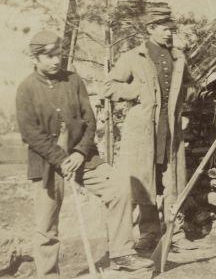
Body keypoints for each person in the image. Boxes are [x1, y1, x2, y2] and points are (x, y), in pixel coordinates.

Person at [16, 30, 153, 278]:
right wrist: (60, 158)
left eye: (58, 54)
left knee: (120, 188)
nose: (56, 60)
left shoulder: (74, 80)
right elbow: (30, 134)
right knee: (46, 224)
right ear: (35, 58)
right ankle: (48, 274)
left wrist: (79, 152)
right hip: (47, 163)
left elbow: (89, 120)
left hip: (84, 158)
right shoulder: (26, 89)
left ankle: (122, 253)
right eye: (48, 56)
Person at [105, 4, 192, 252]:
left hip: (170, 130)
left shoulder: (178, 57)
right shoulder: (133, 57)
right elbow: (109, 87)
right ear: (151, 29)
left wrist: (185, 95)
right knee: (145, 181)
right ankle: (149, 232)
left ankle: (170, 233)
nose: (169, 34)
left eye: (171, 29)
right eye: (165, 29)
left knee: (171, 179)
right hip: (143, 131)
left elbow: (191, 86)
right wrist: (137, 91)